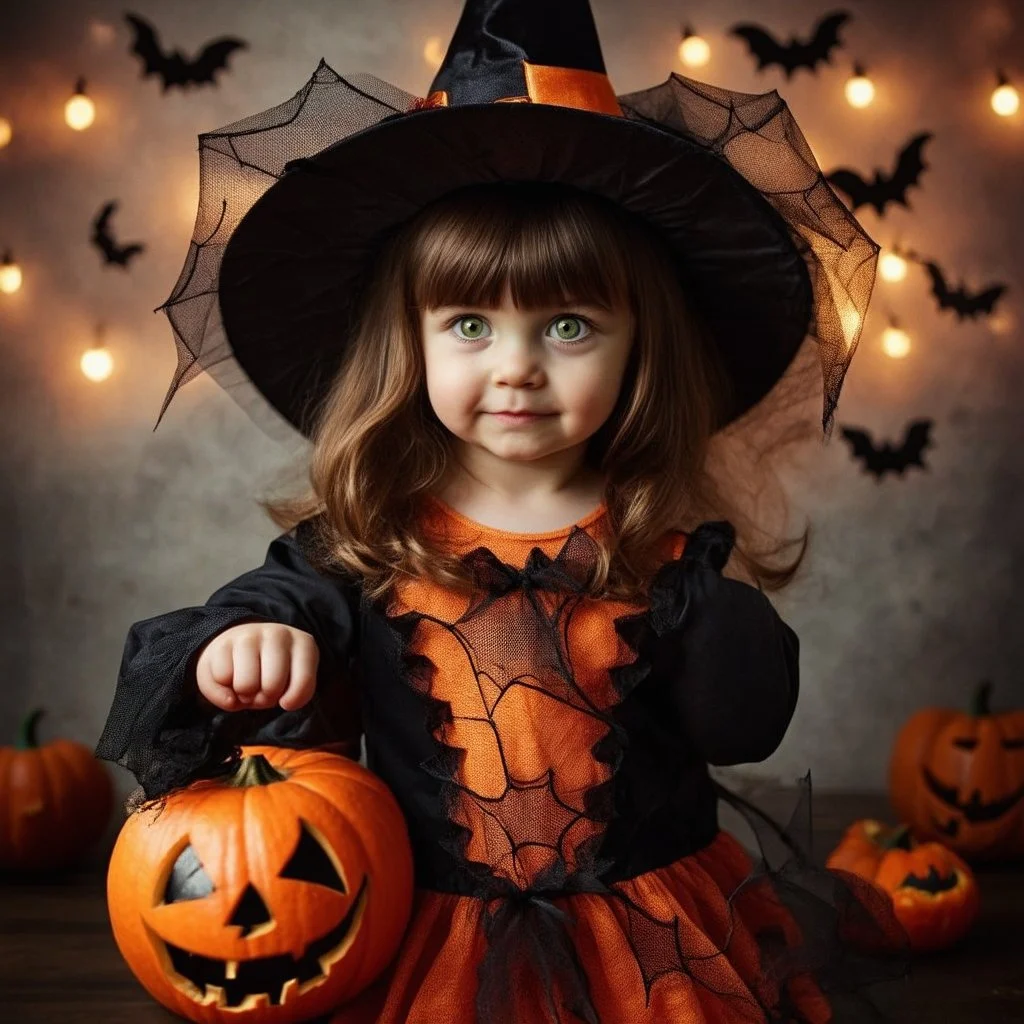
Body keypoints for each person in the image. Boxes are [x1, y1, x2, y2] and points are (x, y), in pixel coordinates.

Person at [95, 0, 911, 1021]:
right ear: (412, 345)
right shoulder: (367, 547)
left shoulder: (660, 552)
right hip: (432, 936)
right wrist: (245, 636)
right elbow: (271, 605)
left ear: (637, 346)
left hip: (648, 944)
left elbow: (743, 723)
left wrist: (701, 601)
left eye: (568, 325)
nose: (517, 366)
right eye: (470, 323)